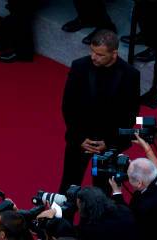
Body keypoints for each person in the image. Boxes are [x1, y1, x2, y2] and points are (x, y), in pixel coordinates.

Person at [59, 30, 140, 194]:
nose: (94, 57)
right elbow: (68, 106)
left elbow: (130, 114)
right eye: (92, 52)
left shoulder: (130, 75)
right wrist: (80, 138)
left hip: (108, 144)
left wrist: (109, 142)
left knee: (102, 191)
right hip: (80, 139)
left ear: (114, 53)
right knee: (68, 186)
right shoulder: (79, 66)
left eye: (100, 54)